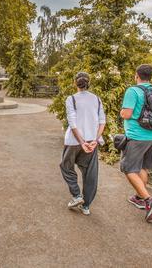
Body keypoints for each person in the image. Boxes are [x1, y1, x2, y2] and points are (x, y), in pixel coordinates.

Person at [120, 64, 152, 222]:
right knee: (142, 167)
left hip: (137, 135)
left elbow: (126, 114)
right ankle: (140, 199)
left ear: (137, 75)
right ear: (151, 76)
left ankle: (149, 200)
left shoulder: (133, 91)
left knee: (128, 169)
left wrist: (122, 112)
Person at [60, 72, 106, 215]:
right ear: (88, 83)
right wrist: (94, 140)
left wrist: (81, 142)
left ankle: (76, 195)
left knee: (66, 166)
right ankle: (85, 206)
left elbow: (72, 123)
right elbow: (102, 121)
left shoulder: (71, 99)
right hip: (91, 141)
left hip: (74, 141)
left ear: (75, 83)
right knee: (90, 173)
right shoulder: (96, 99)